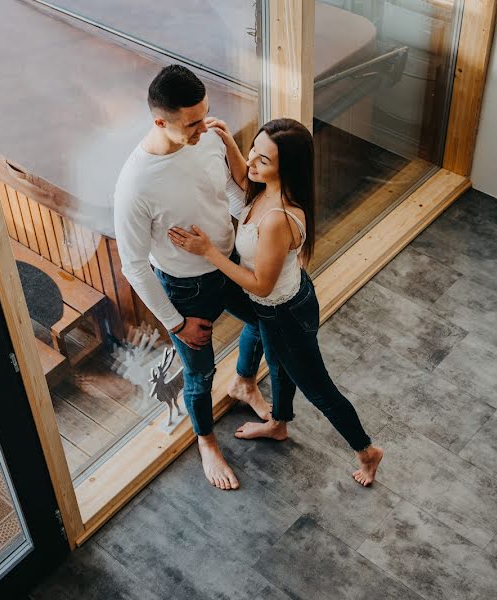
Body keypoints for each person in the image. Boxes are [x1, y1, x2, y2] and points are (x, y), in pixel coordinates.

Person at [168, 118, 384, 486]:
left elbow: (260, 286)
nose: (251, 163)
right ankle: (278, 424)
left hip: (283, 312)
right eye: (254, 149)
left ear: (285, 169)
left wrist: (208, 252)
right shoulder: (268, 188)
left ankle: (367, 452)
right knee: (281, 368)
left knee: (319, 389)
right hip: (282, 306)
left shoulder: (278, 219)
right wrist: (231, 145)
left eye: (262, 160)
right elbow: (245, 180)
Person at [114, 65, 271, 491]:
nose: (207, 127)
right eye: (193, 122)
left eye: (206, 114)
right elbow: (133, 265)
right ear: (160, 122)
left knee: (262, 323)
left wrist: (260, 237)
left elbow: (233, 198)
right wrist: (176, 324)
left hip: (230, 262)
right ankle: (206, 442)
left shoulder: (210, 139)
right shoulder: (134, 186)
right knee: (199, 375)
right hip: (187, 289)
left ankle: (243, 381)